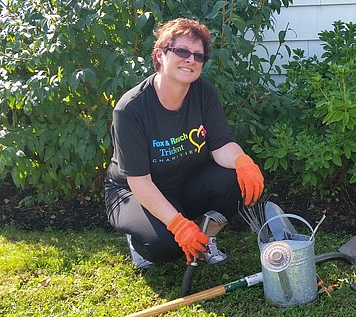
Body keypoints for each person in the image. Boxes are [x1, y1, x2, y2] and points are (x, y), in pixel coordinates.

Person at [105, 18, 264, 269]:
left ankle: (206, 237)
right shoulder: (130, 109)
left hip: (184, 182)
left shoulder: (203, 93)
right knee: (165, 246)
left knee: (236, 178)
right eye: (182, 51)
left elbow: (221, 145)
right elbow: (139, 181)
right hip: (134, 192)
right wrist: (177, 225)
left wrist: (242, 160)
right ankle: (141, 241)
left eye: (199, 56)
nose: (191, 60)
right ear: (160, 54)